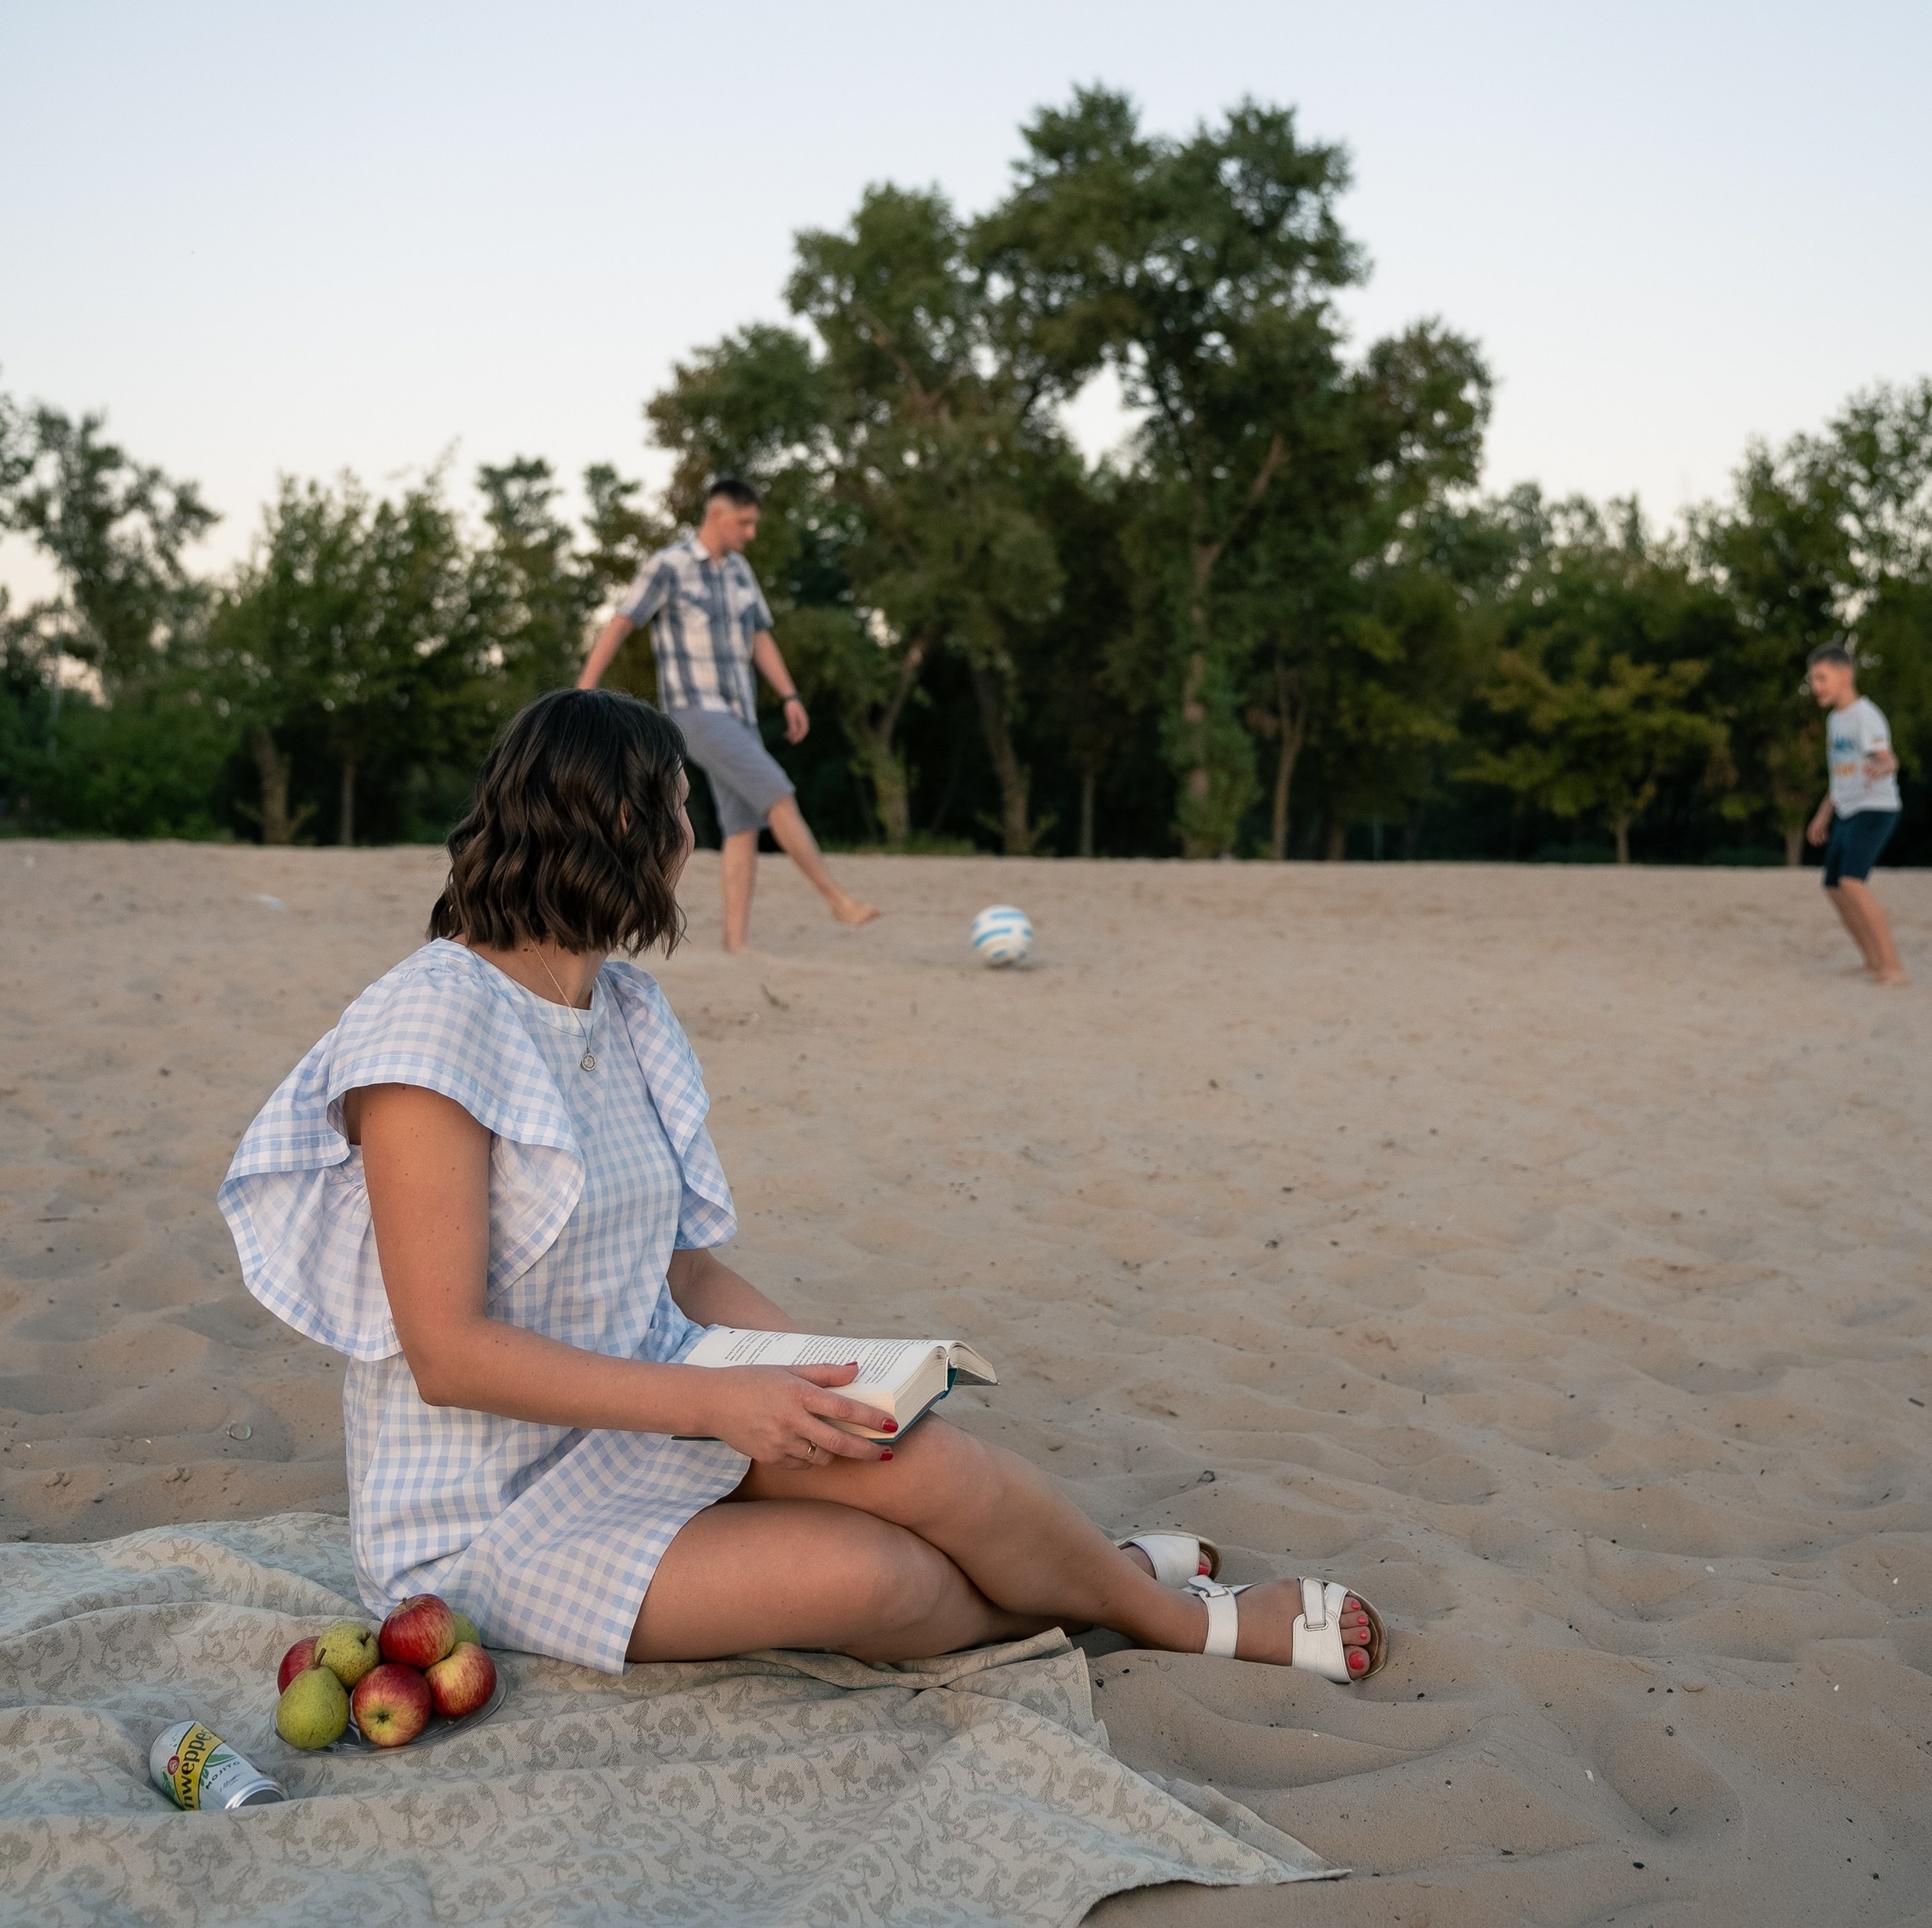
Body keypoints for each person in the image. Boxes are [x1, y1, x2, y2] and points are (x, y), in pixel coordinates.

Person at [220, 689, 1387, 1682]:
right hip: (487, 1521)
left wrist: (838, 1379)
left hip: (647, 1422)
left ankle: (1155, 1607)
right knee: (879, 1579)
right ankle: (1127, 1603)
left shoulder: (618, 1009)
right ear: (625, 821)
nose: (694, 830)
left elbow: (682, 1267)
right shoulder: (429, 1023)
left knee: (924, 1463)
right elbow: (449, 1354)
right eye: (681, 805)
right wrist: (719, 1406)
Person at [578, 476, 876, 953]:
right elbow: (622, 622)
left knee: (742, 826)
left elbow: (760, 636)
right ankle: (836, 898)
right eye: (745, 522)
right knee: (779, 794)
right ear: (717, 515)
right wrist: (584, 689)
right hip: (695, 711)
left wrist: (790, 694)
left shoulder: (739, 572)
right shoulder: (669, 565)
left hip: (740, 713)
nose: (751, 533)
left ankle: (735, 945)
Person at [1803, 642, 1908, 987]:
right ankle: (1872, 962)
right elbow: (1840, 772)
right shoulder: (1835, 720)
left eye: (1821, 677)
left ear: (1845, 675)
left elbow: (1888, 758)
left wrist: (1885, 766)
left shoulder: (1866, 715)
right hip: (1846, 809)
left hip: (1875, 808)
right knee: (1834, 886)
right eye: (1812, 679)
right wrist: (1823, 814)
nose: (1815, 686)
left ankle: (1893, 967)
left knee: (1852, 881)